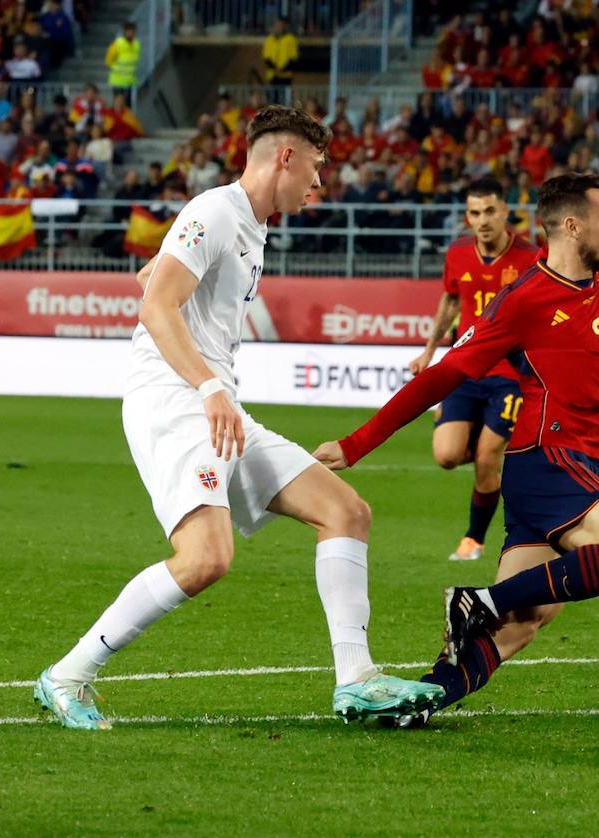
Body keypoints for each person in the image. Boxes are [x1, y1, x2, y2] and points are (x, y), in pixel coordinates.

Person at [313, 69, 599, 718]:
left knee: (526, 619)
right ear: (569, 225)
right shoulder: (522, 303)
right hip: (546, 458)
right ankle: (477, 599)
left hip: (576, 465)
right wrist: (359, 441)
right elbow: (443, 376)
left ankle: (417, 699)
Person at [34, 107, 441, 730]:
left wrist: (203, 361)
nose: (320, 183)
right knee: (204, 559)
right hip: (175, 400)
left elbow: (159, 280)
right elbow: (155, 309)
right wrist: (208, 387)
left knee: (345, 512)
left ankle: (356, 679)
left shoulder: (248, 225)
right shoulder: (216, 211)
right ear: (285, 158)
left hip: (214, 402)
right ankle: (67, 676)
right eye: (316, 167)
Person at [407, 177, 539, 561]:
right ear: (467, 216)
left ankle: (473, 540)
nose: (482, 220)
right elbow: (449, 301)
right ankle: (486, 440)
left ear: (505, 213)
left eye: (490, 211)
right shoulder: (458, 253)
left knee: (486, 459)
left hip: (510, 374)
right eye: (475, 213)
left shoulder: (530, 257)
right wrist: (429, 352)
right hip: (464, 368)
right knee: (446, 457)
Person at [104, 21, 141, 99]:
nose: (130, 33)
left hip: (129, 81)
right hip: (118, 81)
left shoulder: (137, 45)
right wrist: (117, 70)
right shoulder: (117, 44)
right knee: (119, 106)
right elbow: (108, 61)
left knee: (128, 107)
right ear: (124, 32)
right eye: (128, 31)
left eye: (132, 31)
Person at [263, 16, 298, 86]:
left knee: (285, 96)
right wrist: (276, 69)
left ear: (285, 26)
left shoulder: (291, 39)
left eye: (280, 25)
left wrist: (282, 70)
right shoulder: (269, 39)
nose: (277, 27)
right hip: (272, 75)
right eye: (276, 25)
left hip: (286, 75)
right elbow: (266, 58)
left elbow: (293, 57)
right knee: (272, 95)